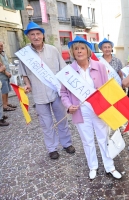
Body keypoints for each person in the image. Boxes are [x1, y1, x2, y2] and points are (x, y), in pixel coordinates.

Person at [60, 36, 122, 180]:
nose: (79, 51)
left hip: (99, 110)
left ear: (88, 51)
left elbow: (107, 88)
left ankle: (110, 166)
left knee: (103, 138)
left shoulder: (99, 66)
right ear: (73, 52)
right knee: (87, 141)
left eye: (82, 48)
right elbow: (63, 92)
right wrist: (69, 106)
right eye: (76, 49)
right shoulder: (68, 71)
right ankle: (93, 166)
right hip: (81, 112)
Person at [18, 22, 75, 159]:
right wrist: (27, 85)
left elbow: (63, 69)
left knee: (62, 119)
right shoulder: (24, 54)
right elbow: (24, 74)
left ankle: (66, 144)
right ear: (28, 37)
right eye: (32, 34)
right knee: (46, 123)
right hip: (38, 95)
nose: (36, 37)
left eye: (38, 34)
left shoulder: (53, 50)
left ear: (43, 35)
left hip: (56, 92)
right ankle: (52, 148)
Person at [0, 41, 17, 112]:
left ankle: (6, 103)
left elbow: (6, 64)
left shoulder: (3, 53)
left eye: (1, 45)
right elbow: (1, 67)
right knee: (4, 91)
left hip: (6, 75)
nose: (1, 47)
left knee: (6, 90)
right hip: (2, 76)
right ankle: (4, 106)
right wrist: (6, 73)